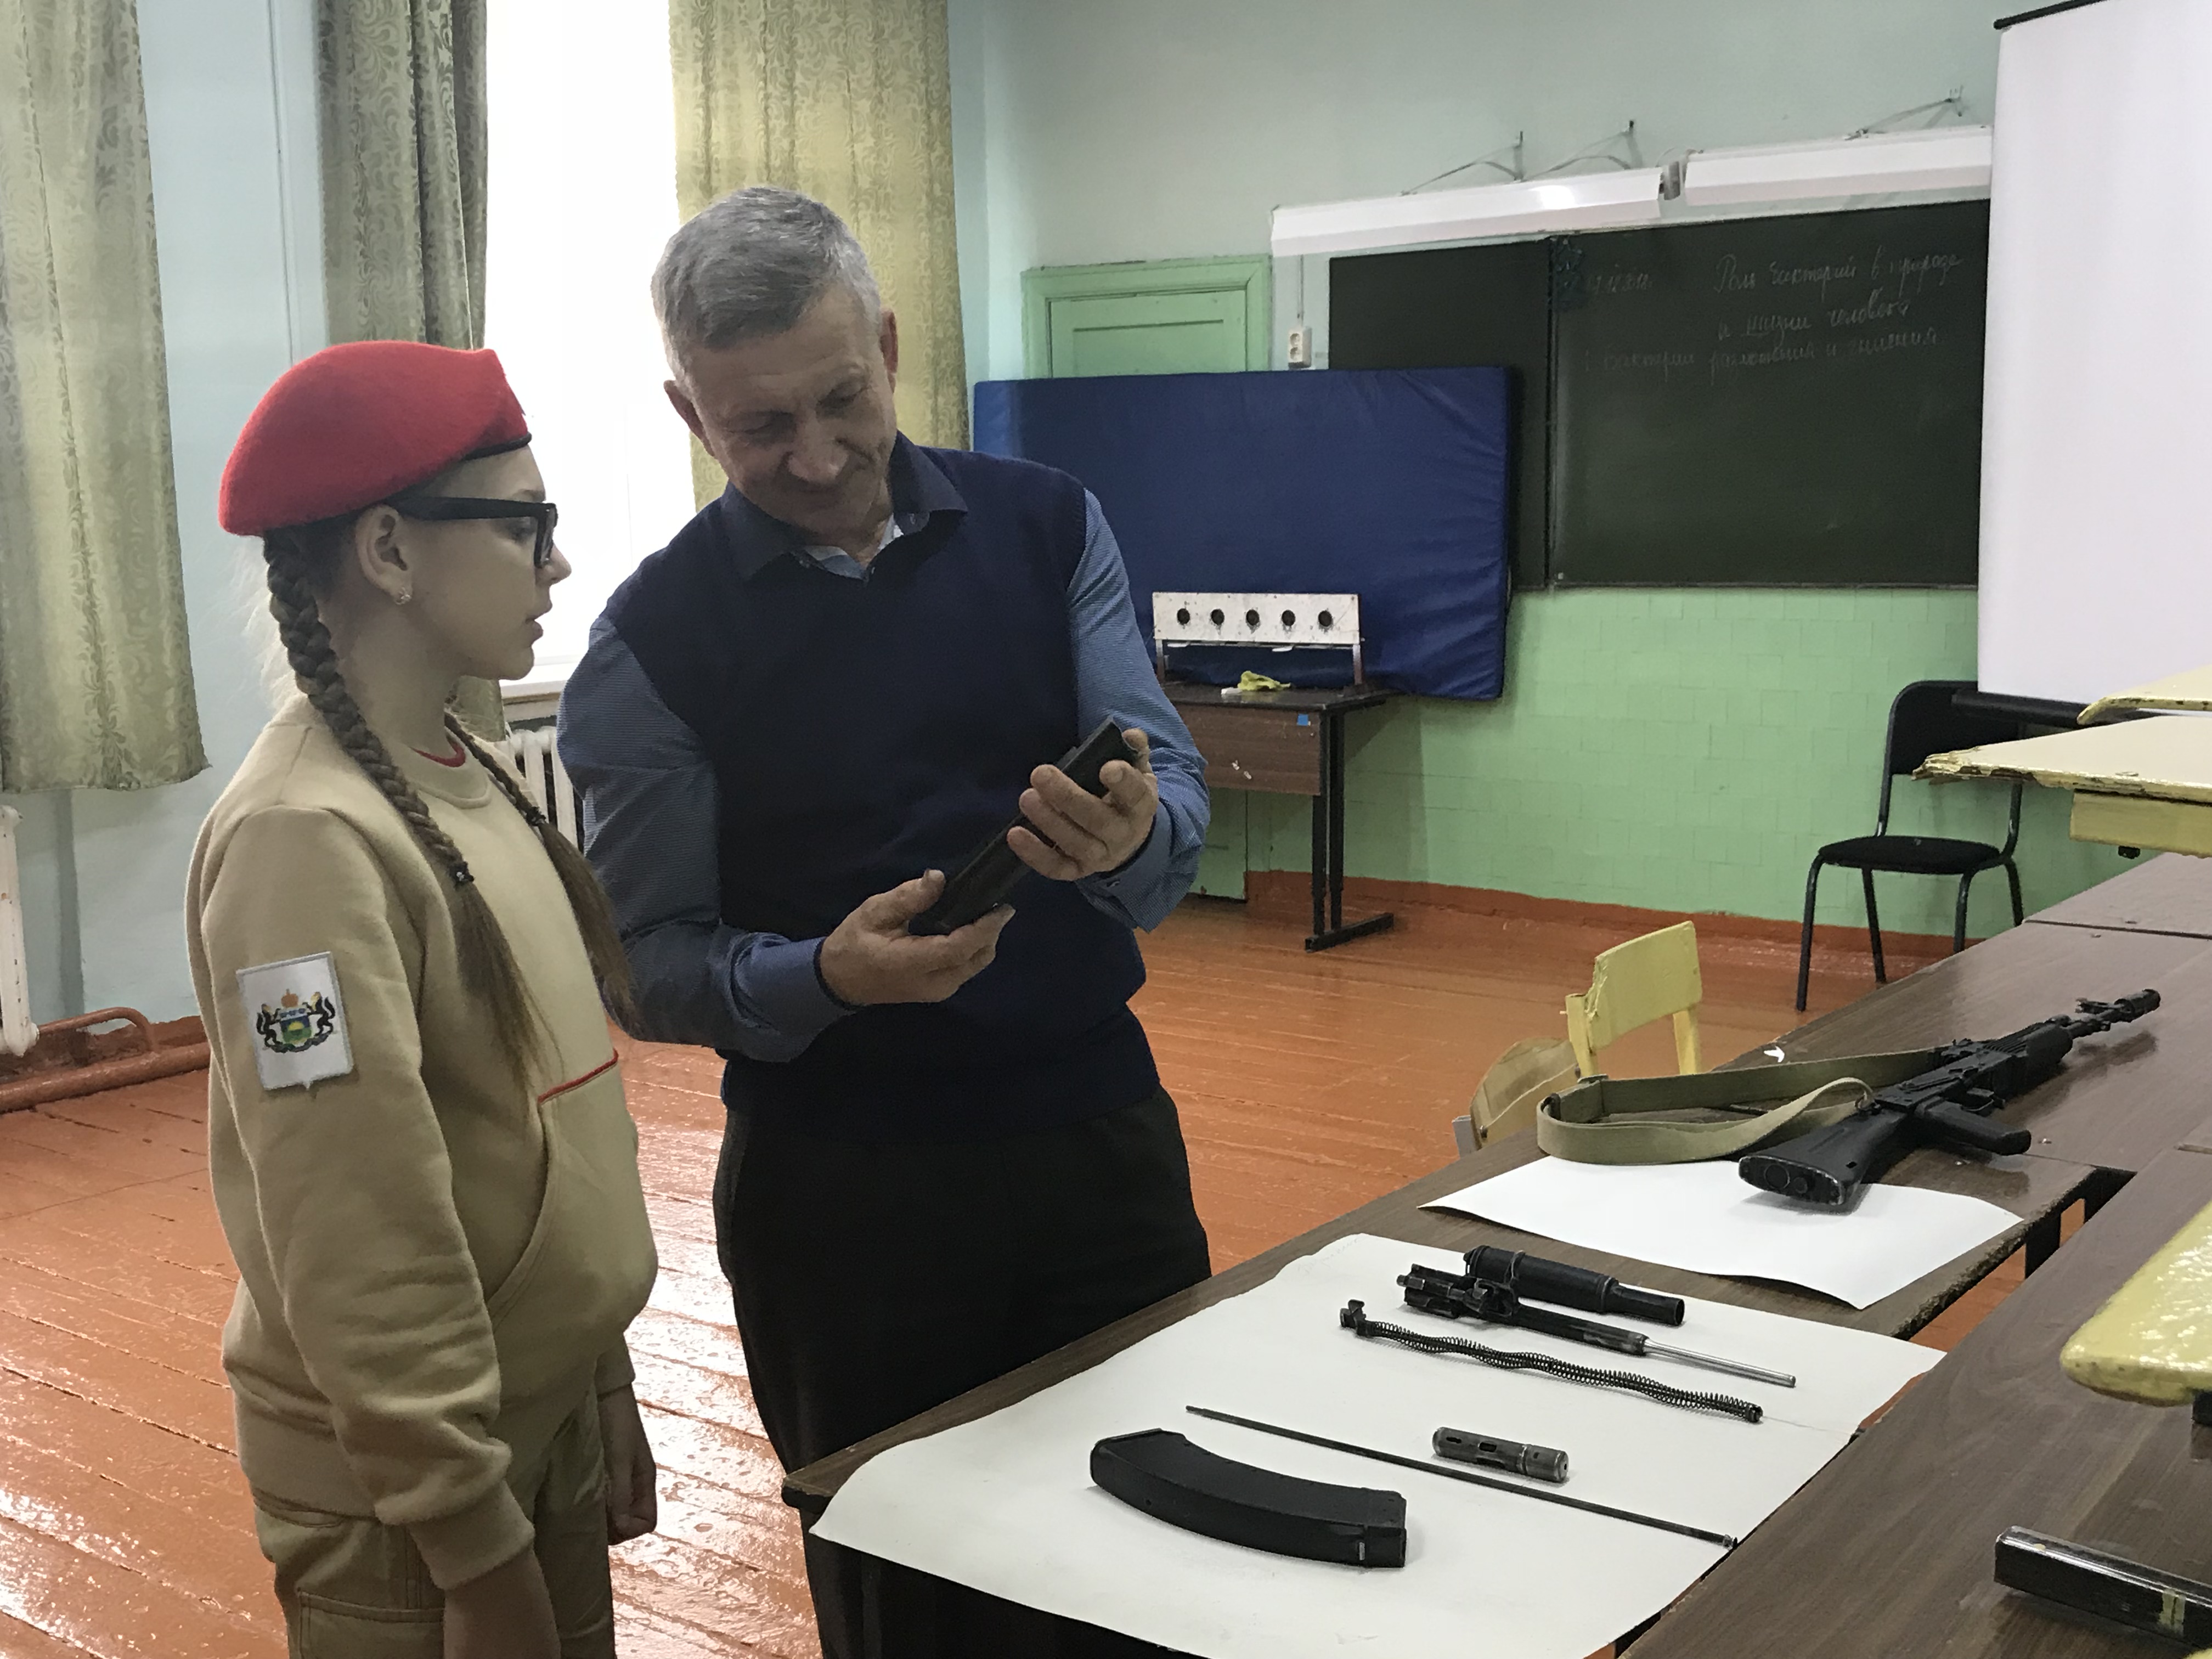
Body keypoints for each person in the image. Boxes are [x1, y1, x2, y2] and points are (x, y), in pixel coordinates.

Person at [558, 186, 1214, 1654]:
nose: (816, 455)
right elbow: (646, 969)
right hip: (842, 1202)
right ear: (688, 413)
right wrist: (825, 978)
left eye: (843, 398)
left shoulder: (1050, 527)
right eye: (759, 428)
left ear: (892, 345)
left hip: (1097, 1144)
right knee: (907, 1601)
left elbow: (1166, 800)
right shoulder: (651, 645)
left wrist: (1133, 835)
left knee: (1162, 1572)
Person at [190, 341, 661, 1659]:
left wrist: (601, 1377)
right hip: (411, 1510)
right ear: (391, 551)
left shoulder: (462, 770)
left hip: (531, 1423)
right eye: (524, 525)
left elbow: (544, 1129)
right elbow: (356, 1227)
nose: (556, 564)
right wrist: (471, 1541)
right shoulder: (304, 839)